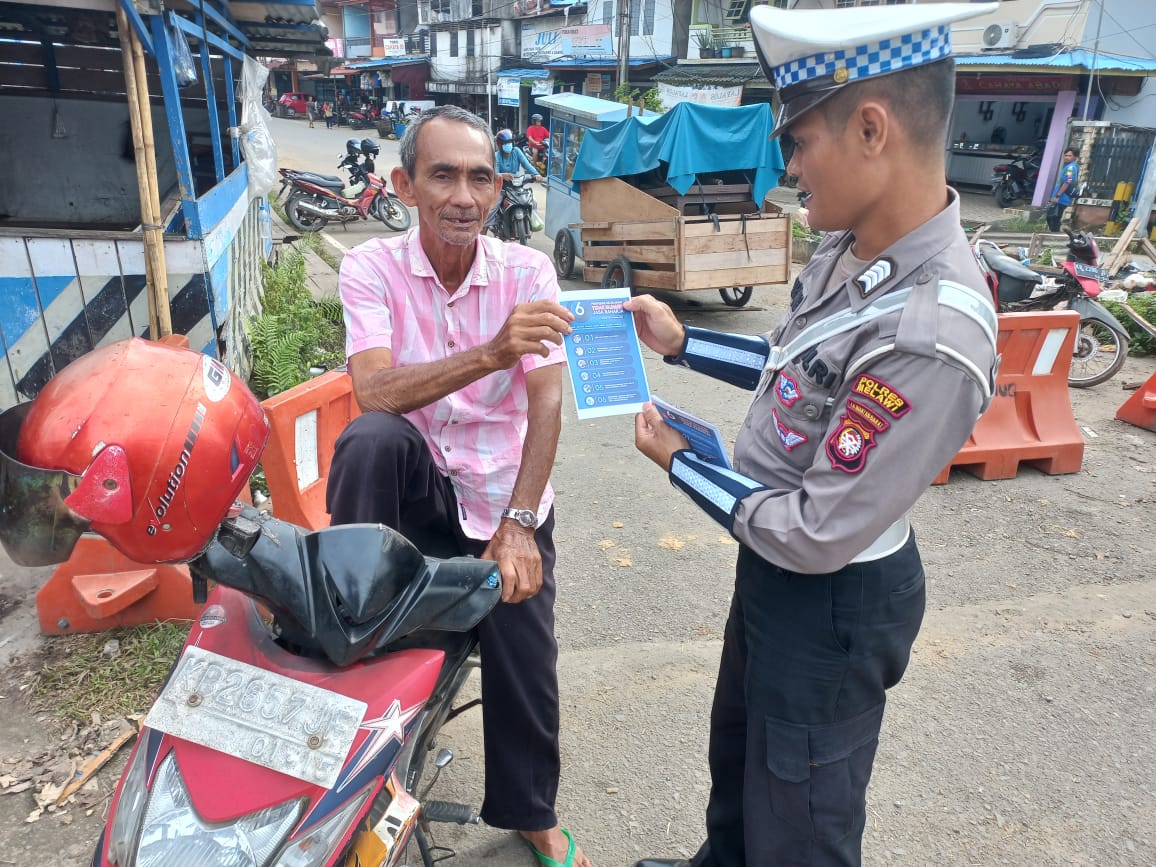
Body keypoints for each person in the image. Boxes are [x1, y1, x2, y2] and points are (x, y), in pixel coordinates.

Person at [628, 4, 999, 867]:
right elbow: (792, 363)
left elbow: (814, 531)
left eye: (797, 143)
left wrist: (688, 466)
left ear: (871, 130)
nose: (789, 168)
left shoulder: (933, 329)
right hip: (775, 564)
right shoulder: (849, 245)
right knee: (742, 755)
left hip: (830, 596)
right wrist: (681, 342)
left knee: (801, 818)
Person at [324, 106, 592, 867]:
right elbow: (374, 392)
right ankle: (358, 610)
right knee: (370, 439)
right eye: (443, 174)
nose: (463, 195)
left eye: (480, 176)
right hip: (415, 495)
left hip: (499, 495)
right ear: (405, 185)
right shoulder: (369, 267)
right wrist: (490, 350)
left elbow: (545, 403)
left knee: (525, 653)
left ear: (499, 186)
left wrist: (519, 523)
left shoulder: (528, 272)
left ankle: (530, 812)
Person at [486, 128, 543, 234]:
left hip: (516, 185)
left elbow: (527, 165)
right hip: (502, 188)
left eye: (509, 143)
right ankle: (484, 230)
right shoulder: (496, 156)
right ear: (499, 145)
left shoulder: (516, 151)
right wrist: (502, 175)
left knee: (533, 201)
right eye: (505, 143)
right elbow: (494, 173)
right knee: (493, 208)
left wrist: (536, 174)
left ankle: (531, 221)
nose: (508, 145)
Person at [1047, 147, 1080, 232]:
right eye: (1065, 155)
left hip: (1062, 197)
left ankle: (1055, 237)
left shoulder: (1070, 168)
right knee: (1053, 218)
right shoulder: (1069, 166)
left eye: (1069, 156)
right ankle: (1054, 236)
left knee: (1053, 218)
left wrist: (1057, 196)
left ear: (1075, 157)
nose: (1066, 157)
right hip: (1061, 197)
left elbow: (1067, 182)